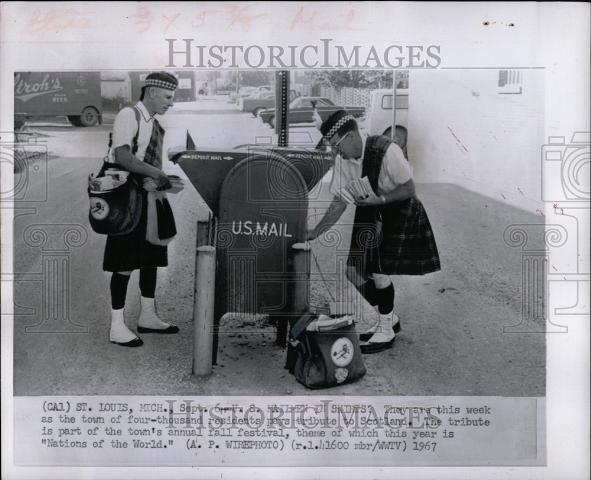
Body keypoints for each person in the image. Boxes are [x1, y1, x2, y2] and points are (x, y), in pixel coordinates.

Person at [307, 110, 441, 353]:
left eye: (337, 146)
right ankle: (388, 317)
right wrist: (315, 232)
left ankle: (386, 329)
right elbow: (340, 201)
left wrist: (380, 200)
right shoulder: (343, 160)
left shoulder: (387, 149)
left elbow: (409, 188)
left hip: (398, 207)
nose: (336, 153)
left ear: (350, 137)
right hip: (370, 209)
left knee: (379, 271)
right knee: (353, 271)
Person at [102, 71, 182, 347]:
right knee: (123, 262)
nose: (171, 102)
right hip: (127, 200)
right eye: (168, 96)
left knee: (151, 257)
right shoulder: (129, 115)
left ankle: (147, 315)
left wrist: (161, 177)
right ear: (151, 92)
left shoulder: (154, 122)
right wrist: (157, 173)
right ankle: (116, 326)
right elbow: (122, 156)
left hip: (148, 198)